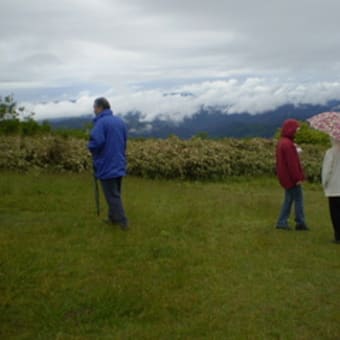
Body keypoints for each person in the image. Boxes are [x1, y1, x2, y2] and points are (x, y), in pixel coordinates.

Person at [88, 97, 128, 230]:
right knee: (115, 192)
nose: (94, 110)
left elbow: (97, 142)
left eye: (94, 107)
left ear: (100, 108)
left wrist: (91, 147)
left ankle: (123, 223)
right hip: (119, 162)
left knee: (112, 195)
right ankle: (112, 218)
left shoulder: (101, 123)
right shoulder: (120, 122)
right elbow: (124, 142)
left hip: (107, 163)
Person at [275, 119, 309, 231]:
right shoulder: (288, 145)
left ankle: (282, 221)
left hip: (285, 177)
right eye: (296, 129)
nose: (297, 132)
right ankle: (300, 222)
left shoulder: (282, 142)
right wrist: (298, 178)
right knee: (298, 199)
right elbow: (292, 164)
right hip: (291, 178)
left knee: (289, 199)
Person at [322, 138, 340, 244]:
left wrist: (324, 184)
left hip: (334, 187)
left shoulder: (331, 152)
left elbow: (327, 170)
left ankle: (338, 236)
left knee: (335, 213)